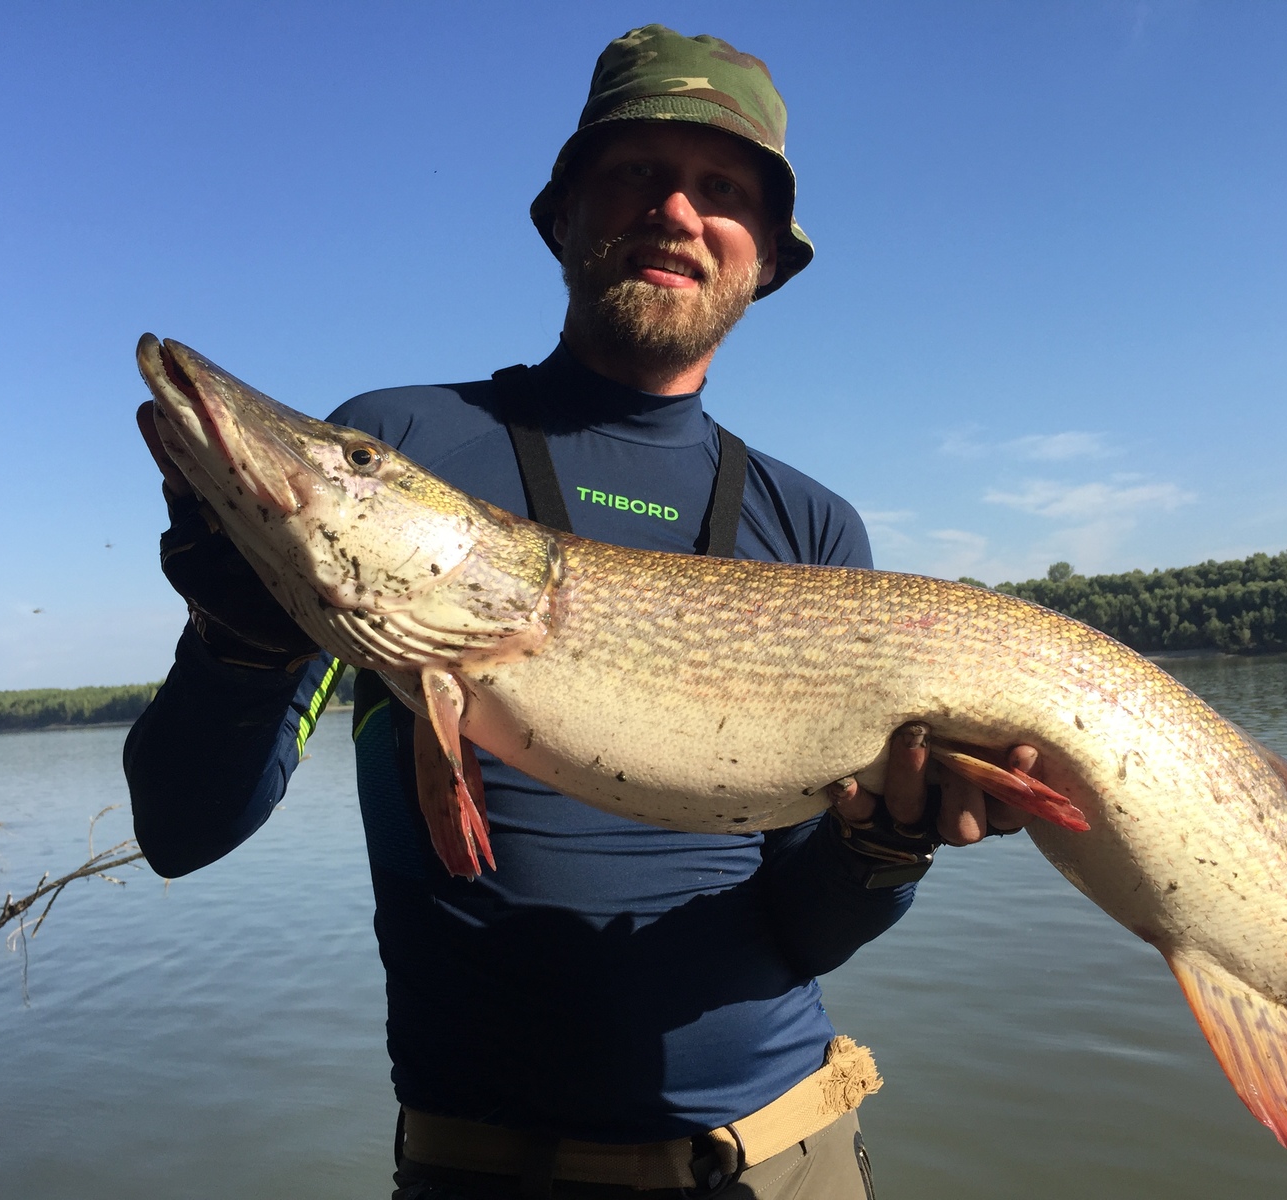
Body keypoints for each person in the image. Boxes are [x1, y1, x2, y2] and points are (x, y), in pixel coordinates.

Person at [126, 26, 1035, 1200]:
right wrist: (236, 649)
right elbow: (182, 831)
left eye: (722, 190)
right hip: (482, 1170)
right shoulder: (401, 444)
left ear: (762, 258)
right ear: (562, 218)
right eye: (632, 173)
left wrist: (884, 846)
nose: (674, 208)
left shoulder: (812, 531)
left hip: (783, 1157)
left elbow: (805, 936)